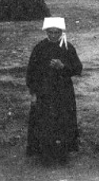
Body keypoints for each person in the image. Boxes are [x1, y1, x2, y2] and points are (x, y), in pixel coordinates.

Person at [26, 17, 83, 165]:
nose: (53, 35)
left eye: (56, 32)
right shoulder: (39, 48)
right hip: (44, 92)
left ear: (61, 32)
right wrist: (33, 93)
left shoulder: (67, 47)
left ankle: (62, 152)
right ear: (46, 32)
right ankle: (45, 154)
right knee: (45, 122)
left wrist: (63, 67)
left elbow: (78, 68)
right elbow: (31, 72)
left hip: (63, 92)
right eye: (50, 32)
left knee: (63, 121)